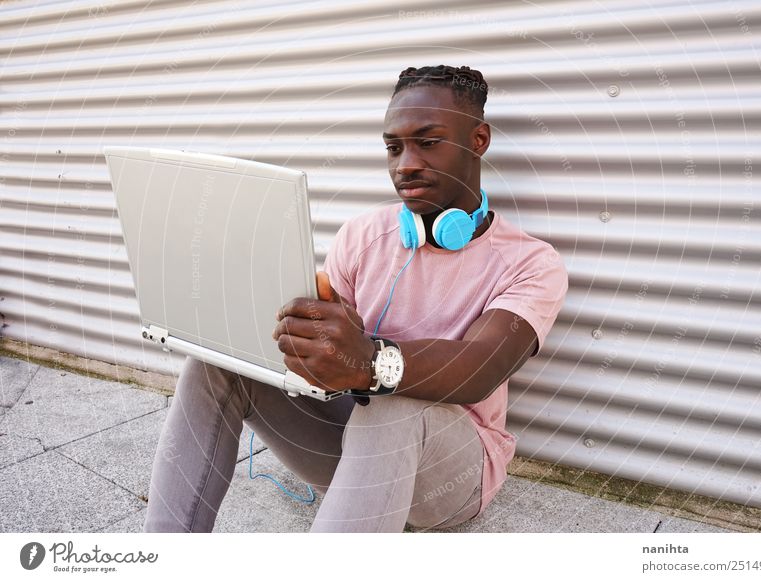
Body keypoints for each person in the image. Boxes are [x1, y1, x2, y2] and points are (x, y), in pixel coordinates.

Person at [143, 64, 569, 533]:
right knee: (213, 366)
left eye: (428, 142)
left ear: (478, 140)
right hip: (350, 448)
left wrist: (370, 361)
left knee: (395, 401)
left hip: (451, 479)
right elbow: (328, 354)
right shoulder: (363, 235)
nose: (405, 164)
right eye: (393, 147)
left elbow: (481, 369)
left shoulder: (532, 263)